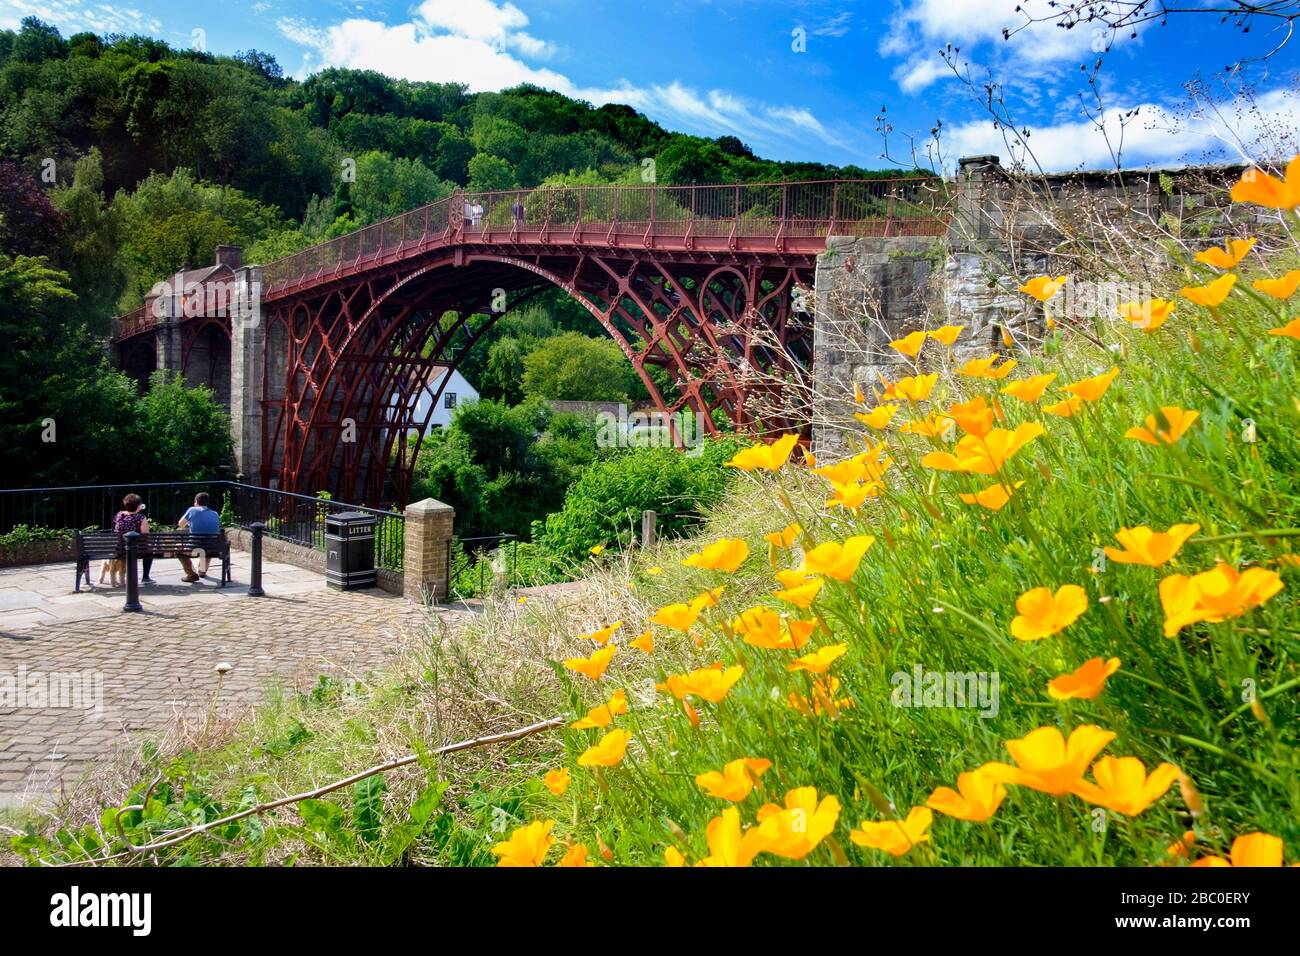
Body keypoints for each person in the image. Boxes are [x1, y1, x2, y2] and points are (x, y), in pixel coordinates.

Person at [103, 493, 148, 588]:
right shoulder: (141, 518)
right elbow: (145, 536)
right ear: (139, 506)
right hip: (135, 550)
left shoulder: (119, 515)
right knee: (149, 552)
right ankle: (146, 576)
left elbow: (114, 529)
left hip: (118, 549)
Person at [176, 492, 221, 583]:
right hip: (212, 548)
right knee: (208, 544)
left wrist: (190, 523)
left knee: (178, 548)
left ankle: (191, 574)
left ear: (196, 501)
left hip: (195, 548)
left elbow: (180, 524)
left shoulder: (192, 510)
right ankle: (202, 571)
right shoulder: (215, 514)